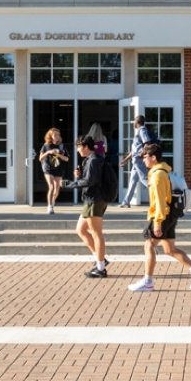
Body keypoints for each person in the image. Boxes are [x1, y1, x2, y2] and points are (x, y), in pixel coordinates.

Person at [127, 143, 191, 292]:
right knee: (169, 249)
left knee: (149, 245)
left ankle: (148, 281)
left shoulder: (157, 175)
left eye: (145, 157)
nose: (144, 160)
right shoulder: (163, 171)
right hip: (170, 214)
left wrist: (157, 222)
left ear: (153, 157)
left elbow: (159, 200)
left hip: (161, 215)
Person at [63, 136, 109, 278]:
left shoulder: (94, 160)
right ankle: (100, 259)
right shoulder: (91, 159)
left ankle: (100, 268)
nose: (77, 150)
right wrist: (79, 176)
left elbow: (91, 181)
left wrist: (69, 184)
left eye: (79, 147)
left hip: (95, 199)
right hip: (91, 199)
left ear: (85, 146)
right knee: (81, 230)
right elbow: (90, 178)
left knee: (96, 233)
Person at [118, 115, 155, 208]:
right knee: (132, 181)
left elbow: (147, 144)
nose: (133, 123)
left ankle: (159, 195)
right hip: (136, 160)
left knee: (144, 179)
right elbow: (134, 150)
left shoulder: (142, 130)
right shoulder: (139, 131)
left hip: (139, 160)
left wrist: (141, 154)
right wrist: (126, 159)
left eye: (134, 121)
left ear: (137, 122)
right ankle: (126, 202)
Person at [37, 127, 69, 214]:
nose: (57, 136)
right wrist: (48, 152)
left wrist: (58, 154)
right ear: (50, 136)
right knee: (51, 186)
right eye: (55, 135)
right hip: (48, 168)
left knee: (57, 189)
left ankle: (52, 201)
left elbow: (67, 159)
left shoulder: (62, 146)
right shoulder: (46, 145)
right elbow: (40, 158)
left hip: (58, 168)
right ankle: (50, 207)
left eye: (58, 135)